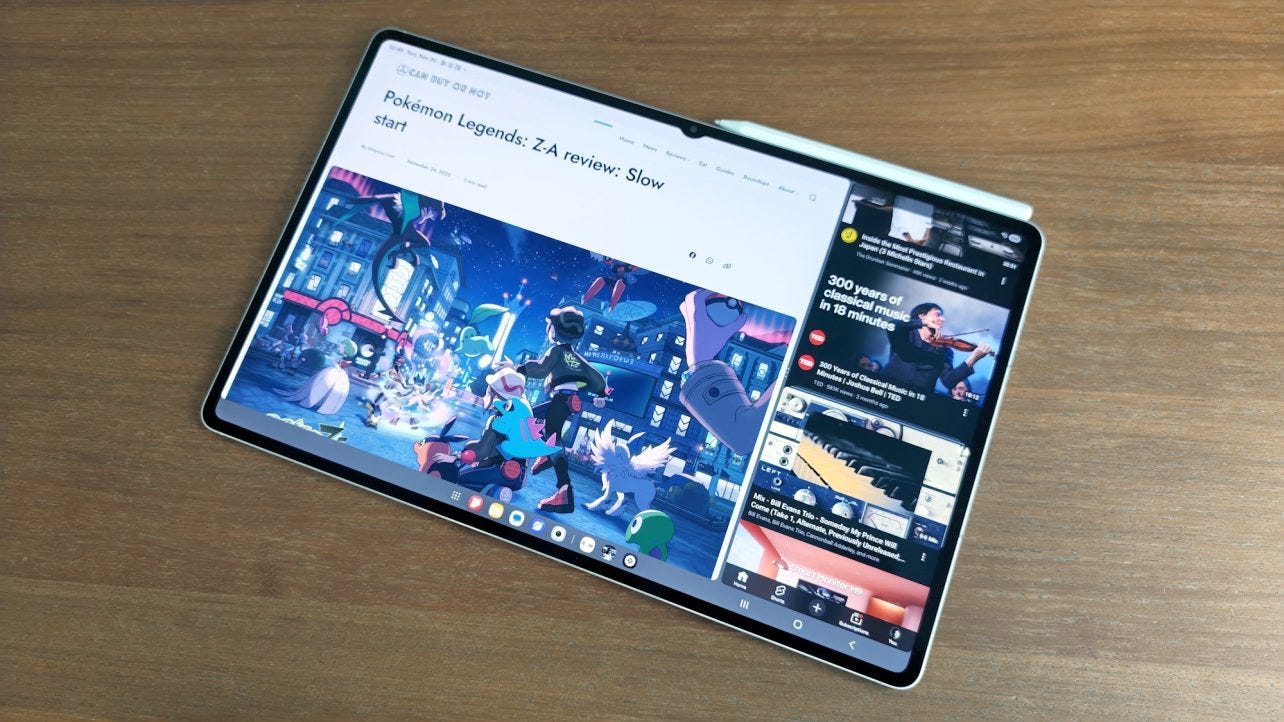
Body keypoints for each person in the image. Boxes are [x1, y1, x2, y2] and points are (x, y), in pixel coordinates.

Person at [519, 306, 607, 513]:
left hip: (561, 398)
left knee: (546, 431)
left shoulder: (556, 351)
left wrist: (519, 369)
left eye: (549, 327)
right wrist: (601, 394)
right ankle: (545, 454)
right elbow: (596, 376)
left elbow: (541, 369)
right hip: (569, 400)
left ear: (554, 329)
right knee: (531, 418)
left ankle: (564, 492)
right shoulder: (576, 357)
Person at [882, 302, 991, 394]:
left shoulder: (945, 350)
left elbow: (948, 381)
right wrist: (923, 323)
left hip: (918, 398)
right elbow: (892, 326)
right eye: (938, 315)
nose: (942, 319)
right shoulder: (906, 334)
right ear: (922, 316)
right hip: (887, 389)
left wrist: (973, 358)